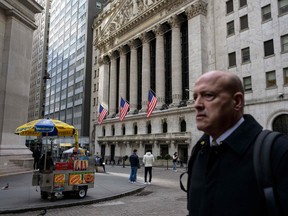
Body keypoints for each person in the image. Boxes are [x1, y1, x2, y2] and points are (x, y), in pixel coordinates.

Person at [185, 70, 288, 216]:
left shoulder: (278, 152)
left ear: (237, 102)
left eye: (208, 95)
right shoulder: (199, 150)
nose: (196, 105)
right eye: (195, 97)